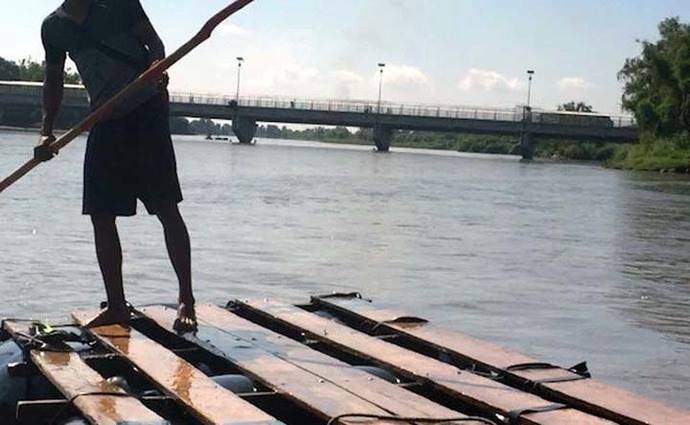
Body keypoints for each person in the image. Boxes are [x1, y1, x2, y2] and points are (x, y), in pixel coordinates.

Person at [38, 0, 197, 331]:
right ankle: (116, 305)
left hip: (145, 112)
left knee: (166, 207)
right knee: (100, 214)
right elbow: (53, 82)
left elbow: (155, 44)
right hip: (104, 119)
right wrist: (46, 132)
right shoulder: (53, 27)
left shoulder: (120, 2)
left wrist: (156, 67)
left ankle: (186, 298)